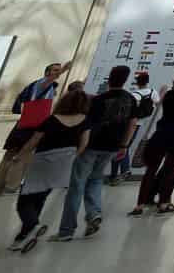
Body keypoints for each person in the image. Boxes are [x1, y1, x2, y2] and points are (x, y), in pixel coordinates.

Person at [55, 66, 136, 240]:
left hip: (92, 146)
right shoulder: (130, 99)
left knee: (77, 185)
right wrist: (124, 145)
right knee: (95, 179)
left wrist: (78, 149)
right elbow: (132, 123)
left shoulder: (98, 100)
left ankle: (66, 230)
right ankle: (94, 214)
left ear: (110, 78)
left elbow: (87, 126)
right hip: (113, 146)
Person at [8, 88, 90, 254]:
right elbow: (84, 143)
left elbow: (33, 142)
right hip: (65, 161)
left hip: (43, 160)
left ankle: (32, 226)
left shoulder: (51, 120)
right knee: (41, 197)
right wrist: (73, 156)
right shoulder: (85, 121)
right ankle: (23, 236)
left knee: (24, 201)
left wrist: (20, 156)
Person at [0, 63, 64, 196]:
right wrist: (65, 69)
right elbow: (49, 82)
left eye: (59, 71)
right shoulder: (41, 84)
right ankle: (9, 186)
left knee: (17, 155)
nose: (58, 73)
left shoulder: (48, 87)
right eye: (55, 70)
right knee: (17, 155)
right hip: (29, 126)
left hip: (27, 124)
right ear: (47, 72)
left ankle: (2, 186)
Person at [133, 66, 174, 215]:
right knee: (171, 170)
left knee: (151, 170)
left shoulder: (169, 93)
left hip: (161, 132)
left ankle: (140, 205)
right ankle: (164, 203)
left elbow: (159, 106)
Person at [114, 69, 159, 184]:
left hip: (129, 124)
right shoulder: (153, 92)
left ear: (137, 82)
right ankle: (118, 173)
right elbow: (157, 103)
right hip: (140, 123)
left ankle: (123, 171)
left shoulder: (134, 95)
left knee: (122, 146)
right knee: (124, 146)